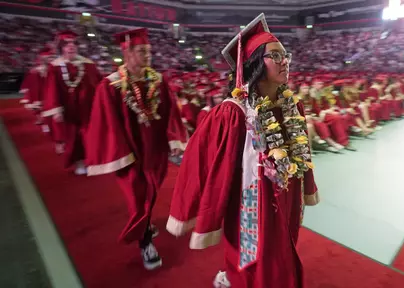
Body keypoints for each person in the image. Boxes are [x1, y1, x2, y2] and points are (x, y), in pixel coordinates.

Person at [166, 14, 319, 288]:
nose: (285, 61)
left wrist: (306, 185)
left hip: (287, 196)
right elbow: (202, 162)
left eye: (286, 55)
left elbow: (303, 154)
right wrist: (189, 210)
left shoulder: (293, 107)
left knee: (283, 248)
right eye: (275, 56)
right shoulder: (233, 113)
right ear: (256, 64)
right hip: (252, 204)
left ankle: (231, 276)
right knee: (259, 264)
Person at [85, 28, 188, 270]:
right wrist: (122, 154)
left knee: (150, 193)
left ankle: (146, 222)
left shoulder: (158, 81)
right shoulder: (110, 86)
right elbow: (107, 124)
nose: (148, 56)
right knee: (137, 197)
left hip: (155, 151)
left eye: (149, 51)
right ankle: (145, 243)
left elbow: (171, 113)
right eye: (142, 51)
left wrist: (174, 140)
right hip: (131, 154)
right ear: (127, 53)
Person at [42, 31, 102, 175]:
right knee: (73, 137)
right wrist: (56, 109)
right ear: (62, 47)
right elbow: (52, 89)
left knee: (91, 135)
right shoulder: (55, 67)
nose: (71, 47)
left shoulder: (88, 64)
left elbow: (99, 84)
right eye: (67, 44)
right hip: (69, 109)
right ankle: (79, 162)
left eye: (74, 44)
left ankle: (92, 160)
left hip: (87, 108)